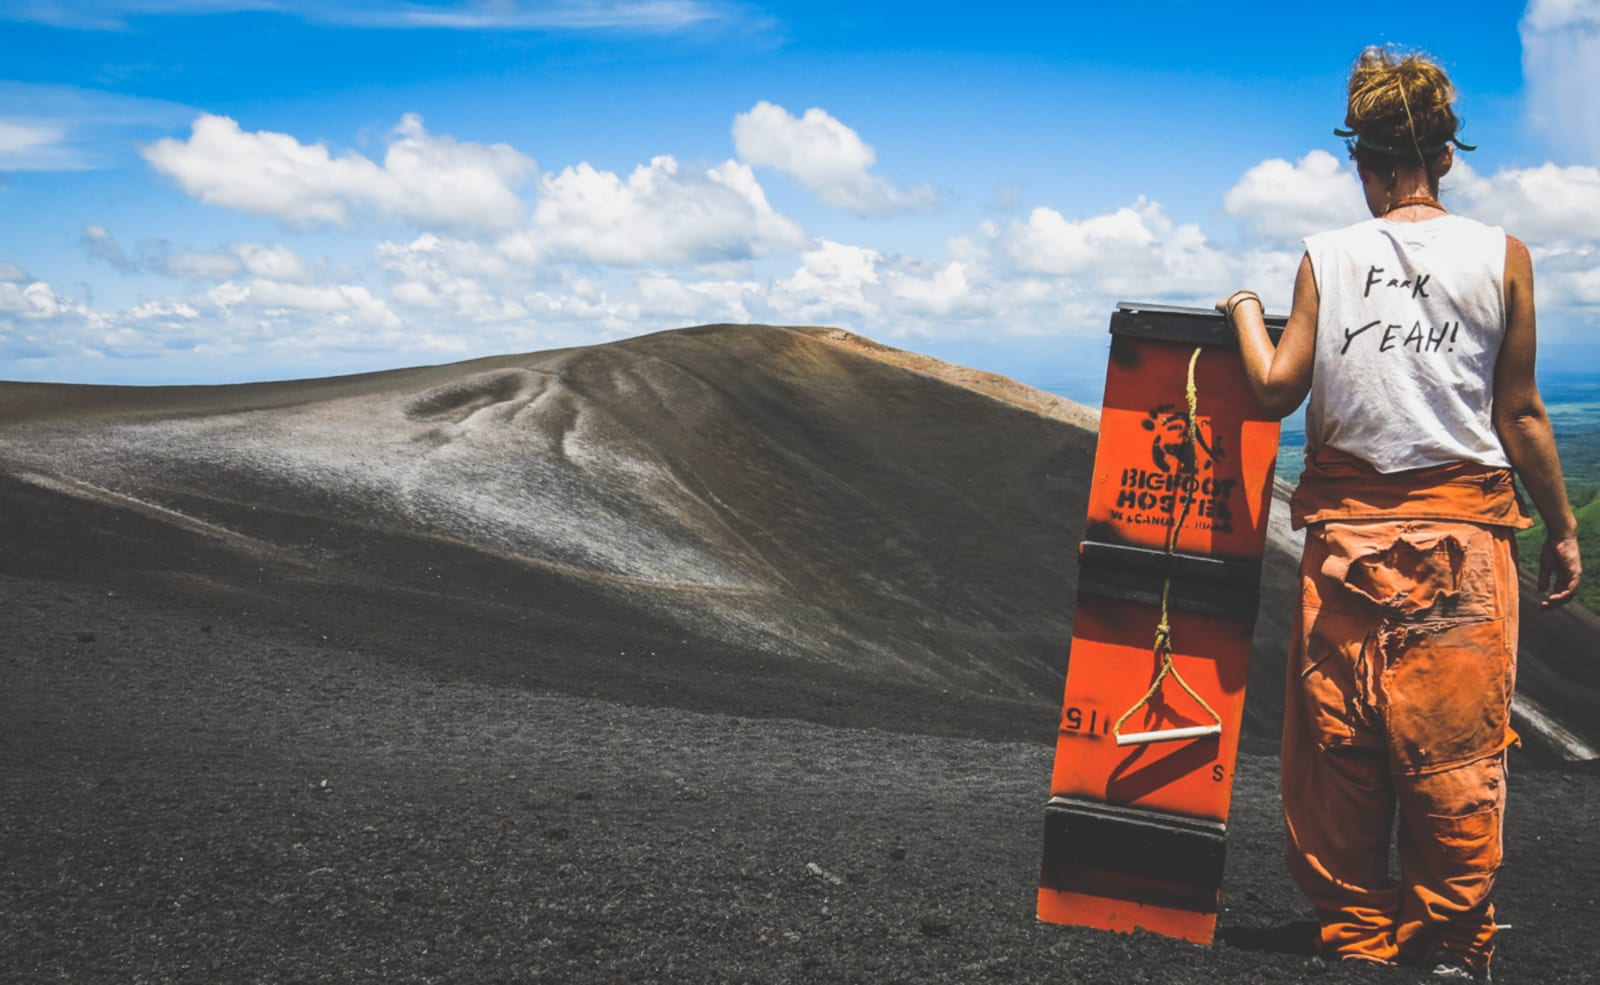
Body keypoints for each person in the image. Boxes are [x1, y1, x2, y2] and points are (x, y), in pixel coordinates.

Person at [1216, 46, 1582, 983]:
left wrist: (1247, 309)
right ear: (1448, 156)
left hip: (1344, 551)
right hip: (1465, 550)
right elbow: (1523, 412)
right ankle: (1455, 948)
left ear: (1361, 157)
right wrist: (1563, 529)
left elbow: (1272, 391)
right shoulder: (1505, 258)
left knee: (1340, 749)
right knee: (1457, 759)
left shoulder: (1327, 258)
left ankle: (1355, 935)